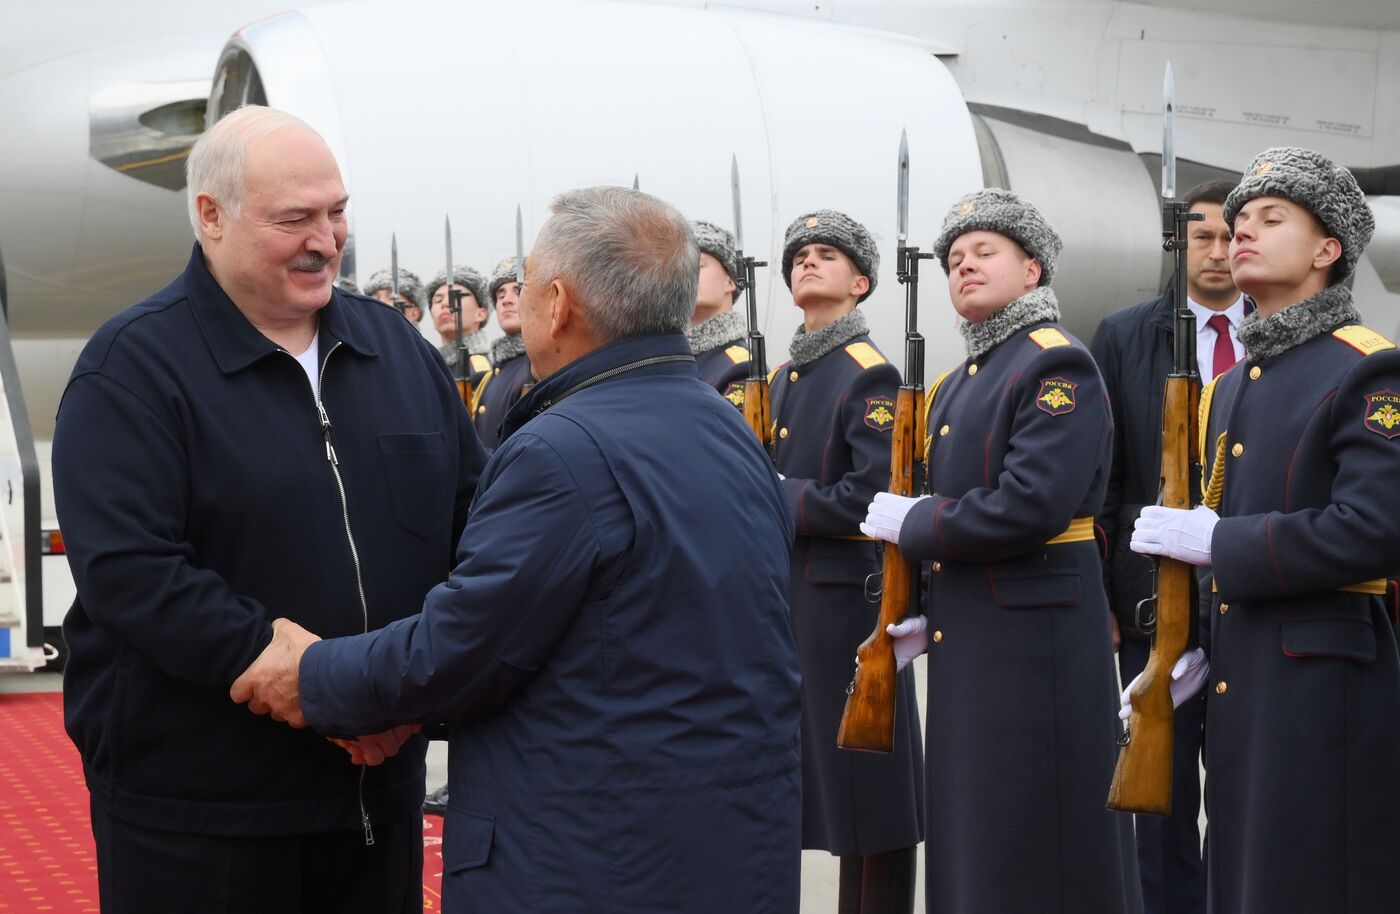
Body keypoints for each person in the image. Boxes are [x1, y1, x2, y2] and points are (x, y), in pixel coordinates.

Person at [229, 185, 804, 913]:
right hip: (725, 842)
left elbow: (465, 644)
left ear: (558, 302)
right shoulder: (723, 428)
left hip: (596, 857)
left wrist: (312, 676)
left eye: (527, 285)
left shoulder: (564, 450)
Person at [51, 105, 485, 914]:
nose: (326, 239)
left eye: (337, 211)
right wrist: (309, 683)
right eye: (296, 219)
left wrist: (412, 686)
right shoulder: (132, 370)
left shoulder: (399, 355)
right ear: (210, 217)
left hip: (378, 800)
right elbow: (131, 572)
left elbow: (475, 525)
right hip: (201, 820)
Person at [1129, 147, 1400, 914]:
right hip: (1243, 687)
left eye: (1269, 219)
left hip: (1324, 692)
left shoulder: (1368, 371)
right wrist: (1189, 650)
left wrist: (1223, 546)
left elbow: (1376, 528)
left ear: (1327, 250)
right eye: (1238, 220)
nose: (1241, 234)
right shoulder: (1230, 388)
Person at [862, 188, 1142, 914]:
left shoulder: (1056, 366)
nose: (965, 267)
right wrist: (923, 601)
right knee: (977, 823)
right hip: (977, 629)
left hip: (1036, 638)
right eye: (954, 259)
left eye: (985, 252)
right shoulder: (961, 382)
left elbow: (1030, 505)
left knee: (1034, 828)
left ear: (1033, 270)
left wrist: (914, 524)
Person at [1089, 179, 1245, 914]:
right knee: (1160, 800)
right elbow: (1104, 479)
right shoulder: (1124, 334)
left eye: (1230, 234)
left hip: (1252, 595)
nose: (1217, 251)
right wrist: (1106, 598)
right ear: (1179, 243)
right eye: (1201, 235)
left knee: (1249, 800)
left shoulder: (1287, 336)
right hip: (1154, 599)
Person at [766, 209, 922, 914]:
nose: (807, 262)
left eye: (826, 255)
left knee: (868, 795)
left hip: (845, 601)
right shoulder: (787, 375)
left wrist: (777, 496)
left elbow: (872, 494)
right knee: (817, 788)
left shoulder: (867, 373)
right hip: (796, 601)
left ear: (860, 283)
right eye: (799, 255)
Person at [470, 256, 533, 450]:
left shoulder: (539, 365)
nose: (506, 300)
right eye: (500, 294)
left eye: (518, 290)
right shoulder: (493, 374)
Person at [686, 219, 750, 407]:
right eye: (680, 268)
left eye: (698, 266)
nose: (686, 274)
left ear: (730, 281)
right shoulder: (669, 359)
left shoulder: (740, 368)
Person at [426, 264, 492, 379]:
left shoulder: (482, 372)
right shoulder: (429, 368)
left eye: (456, 297)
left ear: (481, 314)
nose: (445, 303)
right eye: (438, 300)